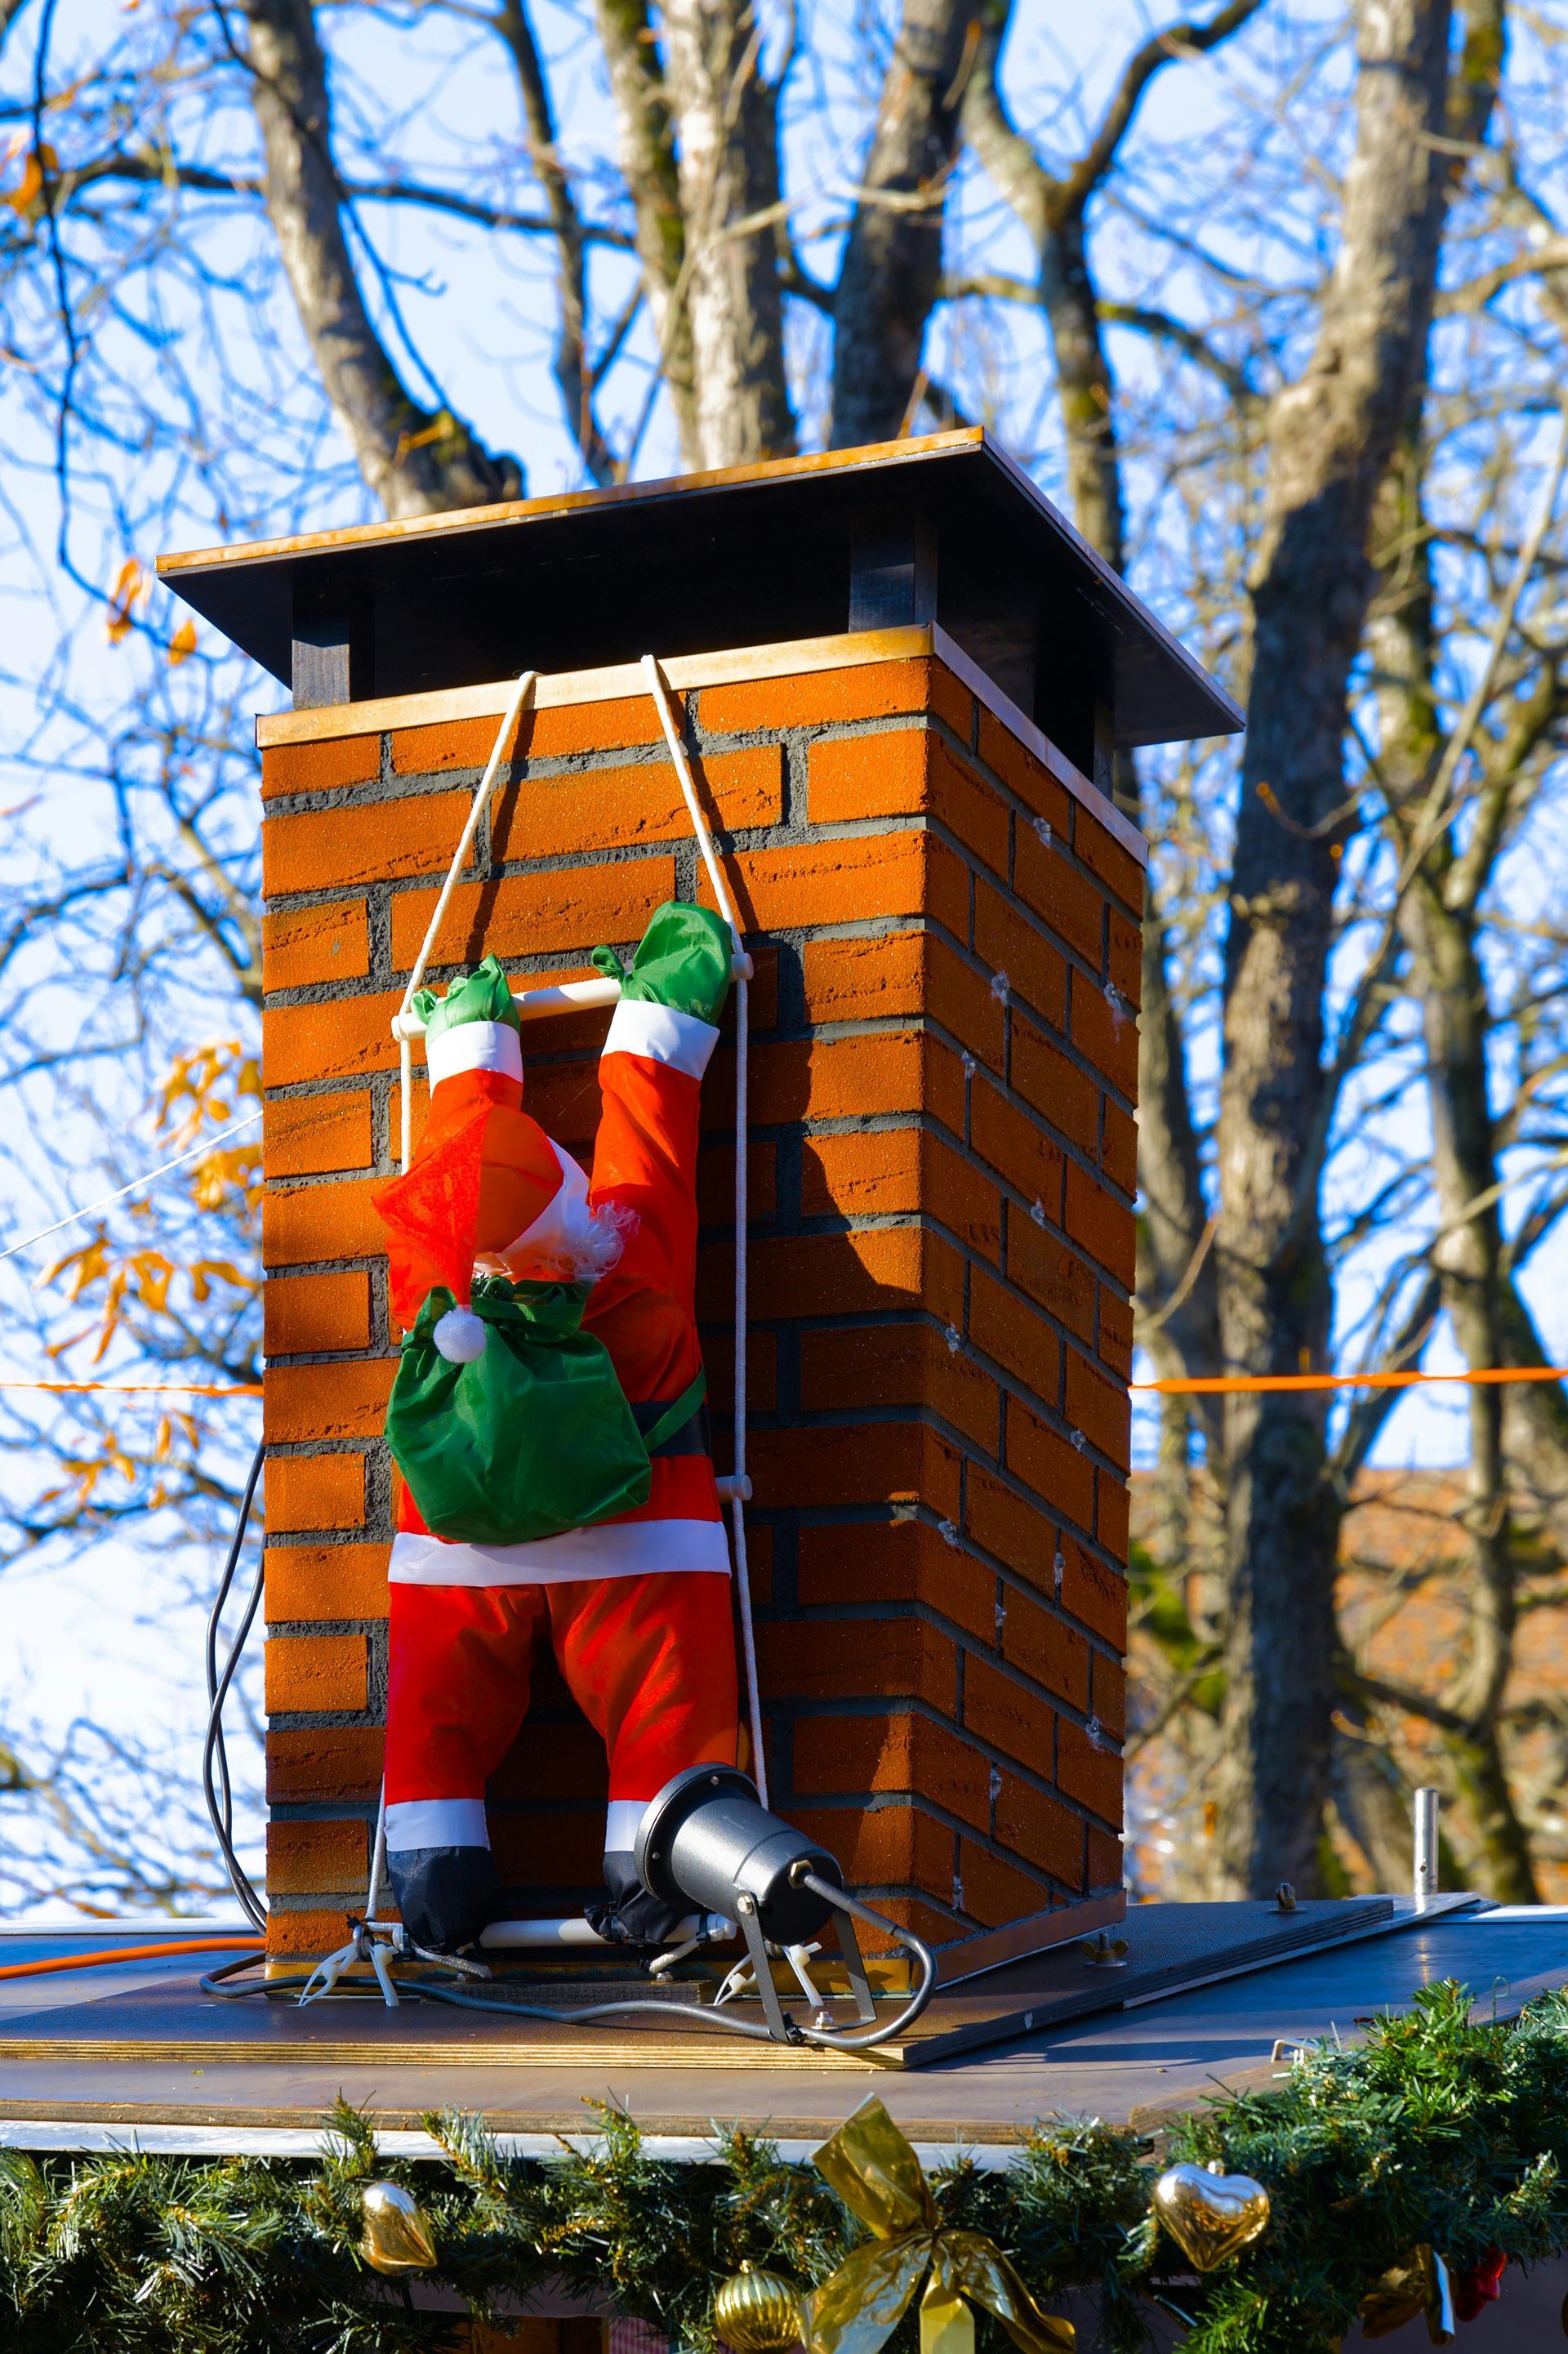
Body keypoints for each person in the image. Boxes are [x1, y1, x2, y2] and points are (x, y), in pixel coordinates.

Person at [370, 907, 741, 1955]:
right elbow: (651, 1134)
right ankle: (661, 1875)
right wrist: (668, 996)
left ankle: (435, 1882)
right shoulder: (622, 1255)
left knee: (435, 1713)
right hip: (639, 1530)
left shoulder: (429, 1289)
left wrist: (467, 1039)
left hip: (459, 1548)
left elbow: (461, 1146)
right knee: (664, 1699)